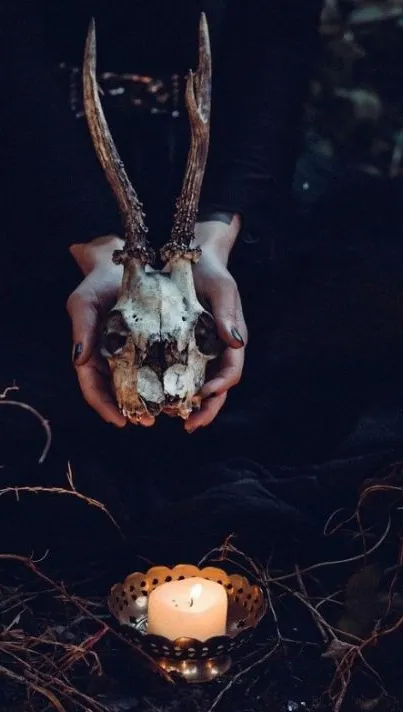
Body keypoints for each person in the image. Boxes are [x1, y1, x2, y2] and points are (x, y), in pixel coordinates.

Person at [0, 0, 322, 433]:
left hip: (228, 170)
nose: (163, 379)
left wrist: (214, 238)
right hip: (46, 172)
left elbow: (280, 55)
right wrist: (92, 238)